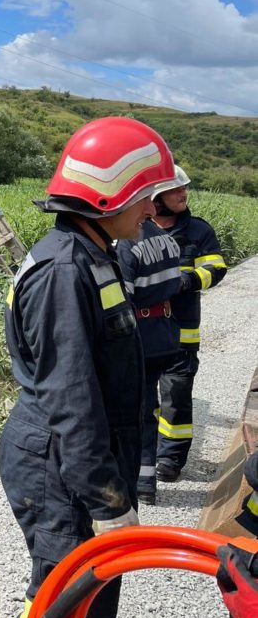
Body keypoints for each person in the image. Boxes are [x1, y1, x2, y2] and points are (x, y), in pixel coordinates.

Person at [0, 117, 175, 618]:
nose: (152, 209)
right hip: (61, 467)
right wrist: (105, 498)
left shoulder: (95, 256)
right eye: (146, 194)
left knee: (79, 598)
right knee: (72, 603)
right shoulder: (65, 272)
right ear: (108, 194)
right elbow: (71, 400)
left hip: (77, 459)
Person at [150, 165, 228, 482]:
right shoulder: (134, 229)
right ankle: (144, 450)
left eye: (184, 188)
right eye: (175, 189)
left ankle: (170, 459)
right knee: (139, 397)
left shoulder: (198, 231)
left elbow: (217, 267)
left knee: (176, 396)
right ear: (154, 198)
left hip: (181, 332)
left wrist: (187, 281)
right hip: (140, 333)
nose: (183, 193)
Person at [116, 213, 183, 506]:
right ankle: (145, 481)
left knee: (135, 412)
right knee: (150, 408)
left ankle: (139, 483)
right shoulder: (166, 239)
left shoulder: (127, 244)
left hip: (140, 337)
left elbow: (121, 300)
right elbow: (176, 283)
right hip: (165, 333)